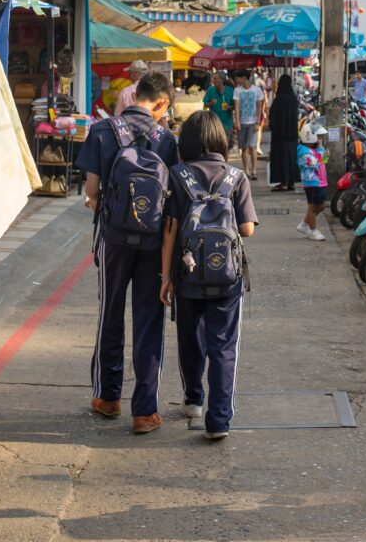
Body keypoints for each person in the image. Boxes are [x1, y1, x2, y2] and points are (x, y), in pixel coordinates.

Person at [77, 73, 178, 433]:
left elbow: (92, 192)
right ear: (162, 103)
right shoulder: (167, 139)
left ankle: (107, 397)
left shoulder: (104, 131)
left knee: (110, 312)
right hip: (154, 244)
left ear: (136, 94)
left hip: (114, 239)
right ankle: (145, 411)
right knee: (149, 320)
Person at [160, 110, 257, 440]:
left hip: (187, 274)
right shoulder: (236, 177)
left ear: (186, 142)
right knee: (224, 345)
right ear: (221, 140)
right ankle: (219, 421)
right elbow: (246, 228)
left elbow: (171, 230)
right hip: (227, 278)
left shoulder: (178, 174)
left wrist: (166, 277)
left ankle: (193, 401)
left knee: (190, 338)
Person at [296, 124, 328, 241]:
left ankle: (304, 224)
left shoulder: (314, 149)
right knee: (313, 208)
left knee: (321, 206)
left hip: (320, 182)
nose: (320, 140)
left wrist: (324, 154)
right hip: (312, 183)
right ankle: (313, 231)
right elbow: (313, 163)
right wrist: (320, 150)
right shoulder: (303, 151)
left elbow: (322, 161)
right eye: (318, 137)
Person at [267, 73, 299, 192]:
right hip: (292, 136)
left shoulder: (279, 99)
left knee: (282, 160)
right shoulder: (293, 99)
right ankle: (291, 182)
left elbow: (273, 117)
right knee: (291, 159)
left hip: (280, 136)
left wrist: (274, 128)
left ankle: (283, 183)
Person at [233, 71, 264, 181]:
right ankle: (246, 170)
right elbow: (236, 106)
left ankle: (254, 170)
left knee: (252, 146)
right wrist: (237, 121)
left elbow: (259, 107)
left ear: (244, 77)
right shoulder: (237, 90)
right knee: (244, 147)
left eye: (237, 77)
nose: (236, 80)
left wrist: (257, 122)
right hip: (242, 122)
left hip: (253, 122)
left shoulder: (256, 90)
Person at [203, 72, 235, 149]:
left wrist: (229, 107)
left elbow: (235, 106)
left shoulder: (231, 90)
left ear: (222, 80)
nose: (213, 80)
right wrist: (210, 103)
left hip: (227, 124)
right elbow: (205, 105)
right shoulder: (210, 90)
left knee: (226, 147)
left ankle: (224, 161)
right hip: (214, 124)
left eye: (215, 78)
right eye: (213, 78)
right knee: (215, 147)